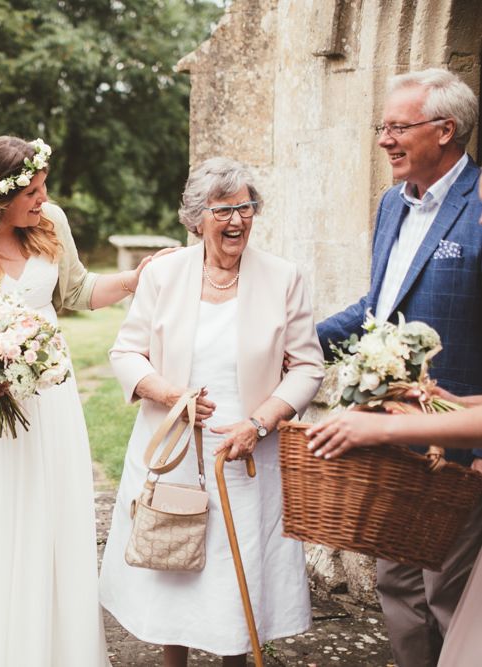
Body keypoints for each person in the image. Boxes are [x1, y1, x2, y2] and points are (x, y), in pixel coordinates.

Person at [0, 135, 167, 666]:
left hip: (47, 400)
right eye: (32, 192)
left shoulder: (51, 224)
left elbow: (76, 291)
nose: (43, 199)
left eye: (44, 188)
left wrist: (135, 281)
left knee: (46, 523)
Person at [98, 157, 325, 666]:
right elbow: (127, 351)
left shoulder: (283, 277)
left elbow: (308, 367)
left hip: (247, 453)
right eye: (224, 210)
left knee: (235, 567)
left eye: (246, 207)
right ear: (197, 217)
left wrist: (259, 422)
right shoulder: (164, 274)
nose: (237, 220)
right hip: (174, 445)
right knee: (171, 564)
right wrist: (168, 394)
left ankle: (234, 660)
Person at [316, 67, 482, 667]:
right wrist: (302, 346)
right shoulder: (392, 203)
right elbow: (376, 307)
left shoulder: (480, 202)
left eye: (396, 127)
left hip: (456, 440)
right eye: (380, 126)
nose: (383, 139)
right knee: (398, 585)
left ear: (445, 129)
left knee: (449, 593)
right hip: (384, 427)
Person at [305, 393, 482, 667]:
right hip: (401, 460)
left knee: (450, 599)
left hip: (460, 459)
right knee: (396, 583)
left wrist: (380, 429)